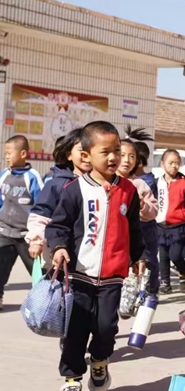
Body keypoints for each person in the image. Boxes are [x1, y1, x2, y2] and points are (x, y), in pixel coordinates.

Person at [46, 121, 146, 391]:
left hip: (113, 277)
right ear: (86, 155)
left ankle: (100, 360)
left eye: (117, 151)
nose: (114, 157)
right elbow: (58, 226)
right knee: (75, 330)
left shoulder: (129, 191)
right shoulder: (74, 189)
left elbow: (134, 230)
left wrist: (138, 257)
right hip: (79, 275)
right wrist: (59, 247)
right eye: (106, 152)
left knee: (106, 328)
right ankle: (72, 377)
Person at [27, 129, 92, 264]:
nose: (86, 156)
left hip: (92, 256)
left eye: (91, 151)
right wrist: (36, 241)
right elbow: (41, 214)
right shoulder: (56, 184)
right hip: (61, 254)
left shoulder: (104, 186)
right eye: (81, 151)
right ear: (69, 155)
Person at [0, 135, 44, 310]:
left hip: (26, 236)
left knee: (38, 273)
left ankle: (43, 302)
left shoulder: (32, 177)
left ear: (23, 154)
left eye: (9, 153)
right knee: (0, 268)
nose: (7, 156)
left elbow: (42, 205)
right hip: (4, 232)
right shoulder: (4, 175)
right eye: (5, 153)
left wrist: (37, 237)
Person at [155, 149, 185, 293]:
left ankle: (183, 273)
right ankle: (165, 282)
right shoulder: (157, 182)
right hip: (160, 225)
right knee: (163, 256)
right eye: (170, 163)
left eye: (177, 163)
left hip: (179, 226)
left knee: (175, 255)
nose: (174, 166)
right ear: (162, 164)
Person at [128, 130, 161, 294]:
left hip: (144, 227)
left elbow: (153, 209)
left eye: (131, 156)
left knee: (148, 260)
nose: (126, 161)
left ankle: (150, 290)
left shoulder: (144, 183)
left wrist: (141, 205)